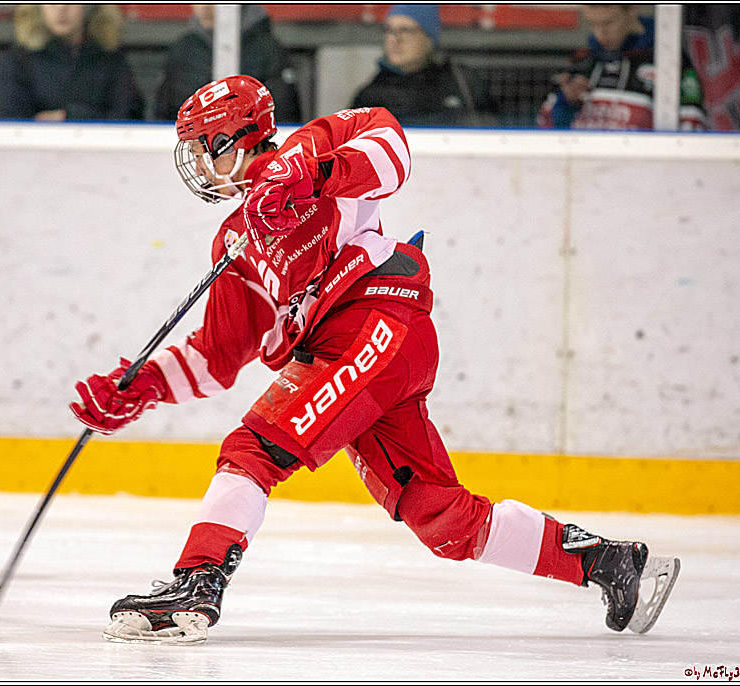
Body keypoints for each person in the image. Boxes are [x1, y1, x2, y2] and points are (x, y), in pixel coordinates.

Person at [71, 75, 681, 644]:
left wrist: (307, 175)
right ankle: (611, 563)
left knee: (254, 449)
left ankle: (197, 583)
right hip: (365, 357)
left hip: (378, 323)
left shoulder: (309, 150)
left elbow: (391, 146)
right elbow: (219, 352)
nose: (198, 165)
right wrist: (140, 386)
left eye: (203, 148)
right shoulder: (237, 239)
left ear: (233, 139)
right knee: (441, 519)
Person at [537, 5, 706, 130]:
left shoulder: (669, 60)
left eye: (608, 23)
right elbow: (543, 132)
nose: (599, 33)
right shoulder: (582, 62)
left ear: (633, 8)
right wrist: (565, 103)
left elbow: (691, 133)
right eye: (593, 24)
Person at [351, 5, 496, 127]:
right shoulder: (370, 97)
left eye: (406, 30)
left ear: (429, 38)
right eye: (389, 30)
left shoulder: (462, 83)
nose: (396, 39)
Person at [152, 5, 301, 123]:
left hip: (250, 149)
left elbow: (284, 113)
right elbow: (163, 110)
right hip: (193, 147)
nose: (204, 7)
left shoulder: (268, 50)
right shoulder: (184, 49)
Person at [0, 4, 143, 121]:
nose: (61, 7)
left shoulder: (110, 57)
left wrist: (69, 116)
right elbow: (12, 124)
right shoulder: (19, 60)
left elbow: (129, 118)